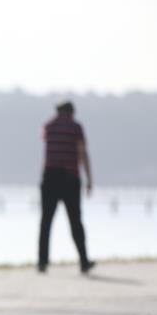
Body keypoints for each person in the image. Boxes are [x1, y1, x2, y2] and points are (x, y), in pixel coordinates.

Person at [38, 101, 95, 273]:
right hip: (70, 178)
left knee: (46, 221)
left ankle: (42, 262)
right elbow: (82, 152)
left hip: (49, 178)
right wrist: (89, 179)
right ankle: (84, 261)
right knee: (75, 220)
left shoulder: (48, 126)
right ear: (71, 112)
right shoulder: (75, 127)